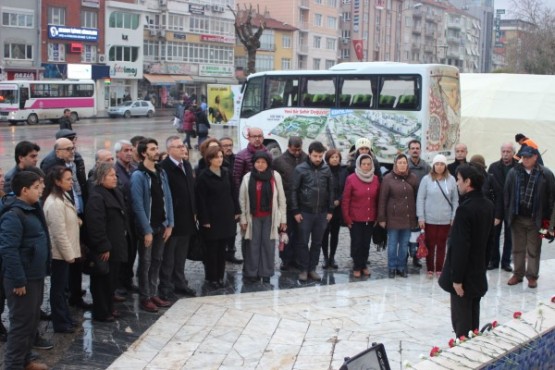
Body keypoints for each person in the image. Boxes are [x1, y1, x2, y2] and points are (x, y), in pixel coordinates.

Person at [0, 171, 50, 370]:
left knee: (32, 322)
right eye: (37, 187)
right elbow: (8, 250)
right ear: (24, 190)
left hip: (35, 275)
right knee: (21, 325)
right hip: (22, 279)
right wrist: (18, 280)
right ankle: (12, 365)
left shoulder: (32, 208)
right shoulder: (13, 215)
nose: (41, 191)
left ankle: (26, 360)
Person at [439, 164, 495, 338]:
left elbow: (460, 247)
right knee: (473, 319)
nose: (457, 183)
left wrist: (456, 280)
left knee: (462, 324)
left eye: (459, 179)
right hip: (477, 272)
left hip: (463, 276)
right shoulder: (488, 205)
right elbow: (490, 242)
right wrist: (482, 267)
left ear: (468, 182)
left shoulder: (465, 209)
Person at [40, 136, 91, 310]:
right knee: (63, 274)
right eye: (68, 149)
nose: (72, 151)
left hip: (76, 215)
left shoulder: (75, 162)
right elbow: (58, 231)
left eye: (73, 148)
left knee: (78, 260)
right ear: (58, 151)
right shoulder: (52, 167)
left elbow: (79, 187)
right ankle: (69, 297)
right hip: (64, 221)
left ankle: (75, 293)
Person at [130, 138, 174, 312]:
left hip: (161, 225)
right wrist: (146, 230)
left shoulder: (161, 172)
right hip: (147, 228)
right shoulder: (138, 175)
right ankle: (145, 296)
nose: (157, 151)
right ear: (143, 153)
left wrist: (170, 223)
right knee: (145, 262)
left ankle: (153, 292)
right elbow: (137, 205)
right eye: (153, 149)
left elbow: (168, 198)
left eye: (157, 148)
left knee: (157, 260)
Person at [504, 146, 555, 289]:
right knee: (517, 248)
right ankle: (518, 274)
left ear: (535, 157)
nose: (525, 159)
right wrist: (508, 214)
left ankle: (532, 276)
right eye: (523, 157)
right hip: (517, 218)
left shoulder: (546, 174)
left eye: (528, 157)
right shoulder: (513, 173)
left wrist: (550, 224)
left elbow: (552, 198)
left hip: (536, 220)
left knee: (534, 249)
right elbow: (507, 195)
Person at [85, 163, 130, 322]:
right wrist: (103, 246)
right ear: (101, 178)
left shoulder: (113, 192)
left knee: (111, 280)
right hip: (106, 247)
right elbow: (95, 224)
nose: (115, 178)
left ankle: (109, 307)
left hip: (117, 244)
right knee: (102, 282)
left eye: (115, 175)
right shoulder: (97, 196)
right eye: (111, 175)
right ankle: (102, 311)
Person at [43, 166, 80, 334]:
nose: (71, 182)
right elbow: (59, 233)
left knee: (62, 289)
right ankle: (60, 322)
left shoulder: (63, 196)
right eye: (67, 179)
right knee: (58, 290)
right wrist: (69, 255)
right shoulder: (54, 202)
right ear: (57, 182)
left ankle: (65, 318)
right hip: (60, 254)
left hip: (66, 252)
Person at [196, 146, 240, 287]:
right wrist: (204, 219)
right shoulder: (203, 176)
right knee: (211, 250)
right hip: (211, 218)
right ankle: (212, 277)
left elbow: (233, 193)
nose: (220, 159)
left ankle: (220, 277)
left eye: (221, 157)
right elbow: (200, 200)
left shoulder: (226, 173)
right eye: (216, 157)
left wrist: (236, 210)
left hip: (226, 216)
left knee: (222, 249)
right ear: (209, 159)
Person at [239, 151, 287, 283]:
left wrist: (283, 219)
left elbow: (281, 198)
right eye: (257, 162)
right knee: (252, 246)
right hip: (252, 217)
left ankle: (266, 273)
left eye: (263, 162)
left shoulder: (274, 176)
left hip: (270, 217)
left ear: (268, 163)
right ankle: (252, 273)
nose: (260, 165)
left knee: (268, 245)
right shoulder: (248, 177)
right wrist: (243, 218)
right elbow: (242, 200)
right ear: (253, 163)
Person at [159, 136, 197, 300]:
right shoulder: (163, 168)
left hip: (187, 219)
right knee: (168, 257)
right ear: (169, 150)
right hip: (172, 221)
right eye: (178, 147)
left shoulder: (186, 165)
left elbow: (191, 190)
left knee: (181, 255)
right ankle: (166, 286)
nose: (183, 149)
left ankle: (180, 282)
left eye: (183, 146)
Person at [291, 141, 334, 282]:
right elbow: (294, 191)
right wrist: (296, 211)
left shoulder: (326, 170)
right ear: (309, 154)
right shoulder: (300, 169)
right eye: (315, 155)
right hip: (305, 212)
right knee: (303, 241)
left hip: (321, 213)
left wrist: (330, 210)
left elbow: (331, 191)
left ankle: (312, 268)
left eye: (320, 156)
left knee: (317, 242)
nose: (317, 159)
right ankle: (303, 269)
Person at [416, 154, 458, 278]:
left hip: (445, 219)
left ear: (445, 166)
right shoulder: (426, 179)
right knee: (429, 244)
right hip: (429, 218)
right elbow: (420, 199)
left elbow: (455, 200)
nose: (439, 167)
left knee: (441, 244)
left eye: (442, 164)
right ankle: (429, 268)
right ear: (433, 166)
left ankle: (439, 268)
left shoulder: (451, 180)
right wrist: (421, 217)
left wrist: (453, 216)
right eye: (437, 164)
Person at [378, 154, 418, 278]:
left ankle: (401, 267)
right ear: (395, 164)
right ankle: (392, 267)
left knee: (404, 244)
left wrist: (417, 217)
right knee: (392, 244)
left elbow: (417, 198)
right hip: (393, 217)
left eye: (404, 163)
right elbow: (382, 199)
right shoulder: (388, 178)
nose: (402, 165)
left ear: (407, 164)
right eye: (399, 162)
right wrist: (382, 218)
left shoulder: (413, 178)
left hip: (408, 217)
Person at [342, 153, 380, 278]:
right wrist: (347, 218)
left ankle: (364, 265)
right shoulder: (351, 178)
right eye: (363, 164)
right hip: (355, 218)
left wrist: (377, 216)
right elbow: (346, 199)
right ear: (359, 164)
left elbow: (378, 199)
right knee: (357, 243)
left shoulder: (375, 179)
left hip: (370, 217)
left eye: (368, 164)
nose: (366, 166)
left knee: (366, 243)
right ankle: (357, 266)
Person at [273, 137, 308, 271]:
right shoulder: (279, 161)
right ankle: (285, 259)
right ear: (288, 147)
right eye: (294, 150)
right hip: (285, 203)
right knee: (285, 233)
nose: (297, 153)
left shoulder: (306, 158)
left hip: (302, 203)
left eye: (299, 150)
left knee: (300, 234)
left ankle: (298, 259)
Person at [487, 143, 518, 272]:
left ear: (513, 153)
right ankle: (494, 260)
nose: (505, 154)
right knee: (494, 234)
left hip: (512, 206)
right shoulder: (493, 167)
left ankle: (506, 262)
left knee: (509, 235)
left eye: (508, 151)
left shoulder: (518, 168)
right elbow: (488, 187)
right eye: (503, 151)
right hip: (496, 207)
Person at [113, 139, 138, 293]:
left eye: (130, 150)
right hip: (122, 218)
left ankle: (128, 279)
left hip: (134, 217)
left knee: (132, 250)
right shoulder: (114, 171)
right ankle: (119, 283)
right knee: (123, 251)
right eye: (125, 150)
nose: (129, 153)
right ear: (117, 154)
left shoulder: (134, 169)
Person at [406, 139, 431, 268]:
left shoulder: (426, 167)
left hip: (421, 205)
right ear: (409, 150)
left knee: (418, 233)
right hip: (406, 205)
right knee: (406, 232)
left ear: (420, 150)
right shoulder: (404, 165)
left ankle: (416, 257)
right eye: (413, 148)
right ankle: (404, 256)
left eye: (417, 148)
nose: (415, 150)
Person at [322, 149, 347, 269]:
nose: (335, 159)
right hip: (325, 207)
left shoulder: (344, 171)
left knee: (335, 234)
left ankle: (332, 257)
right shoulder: (324, 170)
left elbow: (346, 188)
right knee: (324, 234)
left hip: (338, 207)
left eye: (337, 157)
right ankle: (325, 258)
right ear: (327, 159)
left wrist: (339, 200)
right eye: (332, 157)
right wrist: (330, 202)